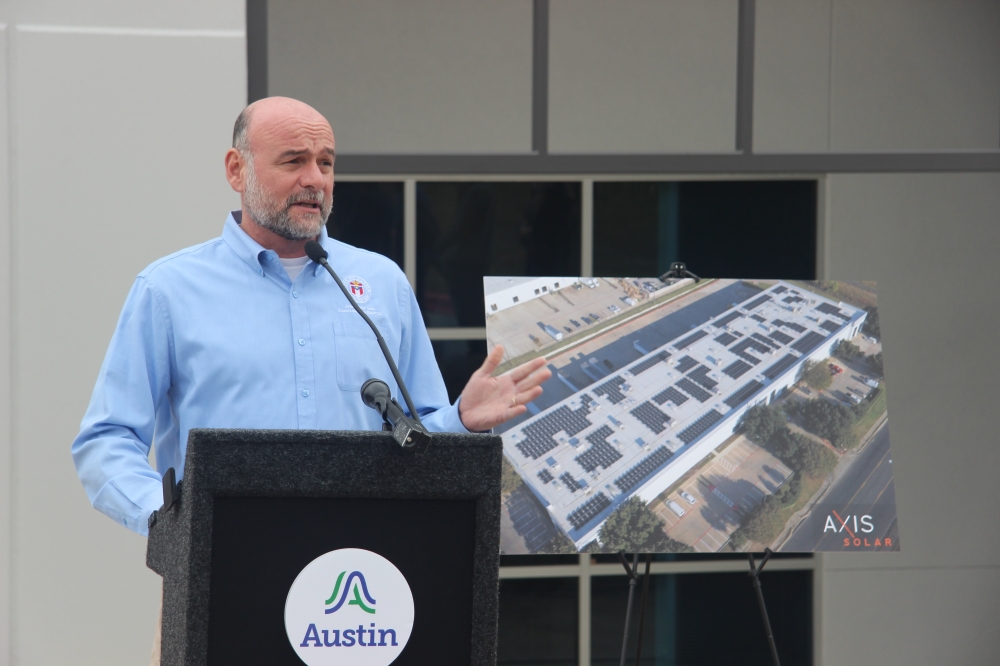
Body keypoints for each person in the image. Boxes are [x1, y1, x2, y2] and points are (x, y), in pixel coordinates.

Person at [71, 96, 551, 536]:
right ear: (237, 170)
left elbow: (420, 435)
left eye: (325, 163)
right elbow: (106, 440)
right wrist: (171, 520)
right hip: (219, 571)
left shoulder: (381, 282)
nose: (315, 180)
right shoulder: (168, 290)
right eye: (294, 161)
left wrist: (463, 420)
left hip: (360, 573)